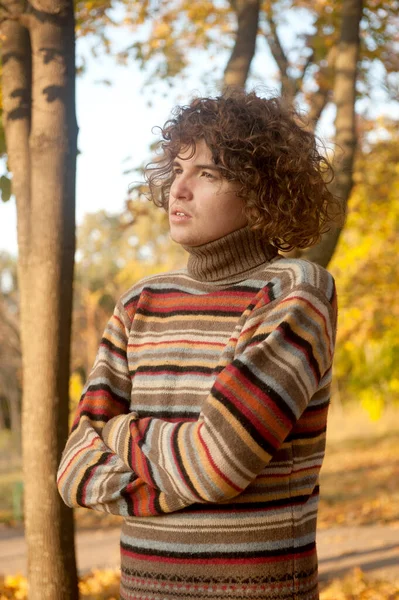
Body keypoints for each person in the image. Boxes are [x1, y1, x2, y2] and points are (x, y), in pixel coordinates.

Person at [58, 90, 339, 600]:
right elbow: (75, 468)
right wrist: (179, 468)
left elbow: (218, 463)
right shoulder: (139, 302)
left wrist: (118, 429)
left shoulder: (293, 290)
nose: (178, 190)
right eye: (178, 169)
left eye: (208, 173)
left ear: (261, 192)